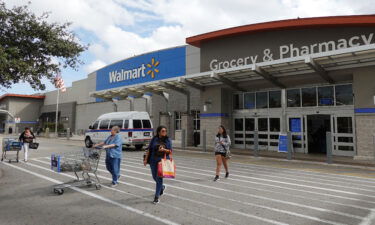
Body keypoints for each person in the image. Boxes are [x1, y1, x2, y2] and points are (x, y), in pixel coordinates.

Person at [143, 125, 172, 204]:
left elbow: (170, 151)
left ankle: (156, 197)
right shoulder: (154, 139)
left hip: (162, 161)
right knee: (154, 176)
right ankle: (162, 187)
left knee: (159, 178)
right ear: (158, 132)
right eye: (163, 131)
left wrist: (164, 149)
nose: (164, 132)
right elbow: (149, 149)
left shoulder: (168, 140)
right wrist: (145, 159)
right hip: (153, 160)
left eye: (165, 131)